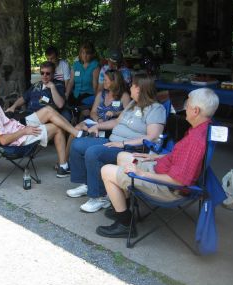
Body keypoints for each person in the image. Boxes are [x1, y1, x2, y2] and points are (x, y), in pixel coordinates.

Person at [96, 88, 219, 238]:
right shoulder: (202, 129)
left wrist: (142, 173)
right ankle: (125, 208)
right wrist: (154, 158)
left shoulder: (195, 141)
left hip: (167, 188)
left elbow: (178, 180)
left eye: (187, 104)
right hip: (160, 170)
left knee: (107, 171)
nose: (184, 107)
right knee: (123, 156)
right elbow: (179, 156)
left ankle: (124, 224)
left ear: (195, 110)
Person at [67, 74, 166, 213]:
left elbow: (152, 137)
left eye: (132, 85)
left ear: (139, 89)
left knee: (93, 152)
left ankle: (100, 197)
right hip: (113, 141)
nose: (130, 88)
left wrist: (123, 143)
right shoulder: (132, 104)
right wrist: (98, 126)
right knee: (77, 144)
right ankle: (89, 184)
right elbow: (116, 122)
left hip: (131, 149)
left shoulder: (156, 109)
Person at [0, 74, 87, 178]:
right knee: (57, 127)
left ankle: (76, 133)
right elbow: (3, 140)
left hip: (16, 127)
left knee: (48, 110)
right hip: (19, 138)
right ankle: (63, 167)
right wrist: (24, 131)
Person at [64, 69, 131, 162]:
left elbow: (127, 113)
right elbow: (93, 112)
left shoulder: (124, 96)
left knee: (87, 132)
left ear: (114, 82)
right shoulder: (101, 94)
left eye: (106, 80)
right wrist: (98, 119)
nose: (103, 82)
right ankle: (65, 160)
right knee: (75, 129)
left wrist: (115, 113)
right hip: (96, 121)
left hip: (112, 124)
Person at [6, 61, 71, 121]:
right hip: (29, 114)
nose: (44, 75)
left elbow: (60, 105)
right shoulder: (36, 85)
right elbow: (23, 98)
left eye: (48, 73)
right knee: (5, 117)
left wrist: (52, 87)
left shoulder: (58, 85)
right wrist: (13, 107)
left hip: (43, 118)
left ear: (53, 74)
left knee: (14, 122)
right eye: (42, 73)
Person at [66, 41, 100, 108]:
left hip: (88, 95)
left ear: (92, 54)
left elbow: (95, 84)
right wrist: (67, 94)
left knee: (80, 108)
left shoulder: (95, 65)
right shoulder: (76, 65)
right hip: (76, 94)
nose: (85, 55)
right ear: (80, 53)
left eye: (87, 53)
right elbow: (71, 82)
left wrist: (97, 100)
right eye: (83, 53)